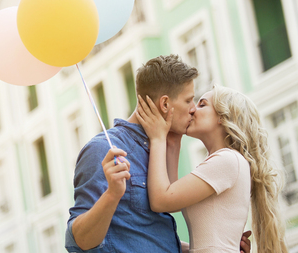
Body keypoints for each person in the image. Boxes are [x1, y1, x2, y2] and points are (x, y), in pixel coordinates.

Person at [65, 55, 251, 253]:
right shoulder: (104, 150)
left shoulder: (160, 149)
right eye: (189, 100)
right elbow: (78, 241)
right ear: (165, 104)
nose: (193, 109)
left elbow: (149, 238)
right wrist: (111, 195)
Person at [135, 85, 288, 252]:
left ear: (222, 117)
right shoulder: (225, 161)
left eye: (202, 104)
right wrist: (173, 141)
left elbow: (160, 200)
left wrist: (157, 139)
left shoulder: (227, 160)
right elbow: (171, 200)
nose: (192, 109)